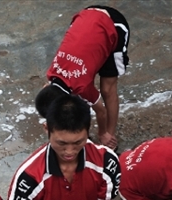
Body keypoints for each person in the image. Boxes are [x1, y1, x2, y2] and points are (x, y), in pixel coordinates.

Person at [35, 5, 130, 149]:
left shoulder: (82, 87)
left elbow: (101, 111)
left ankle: (110, 138)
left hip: (113, 24)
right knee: (88, 67)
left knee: (107, 90)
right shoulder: (51, 73)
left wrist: (102, 132)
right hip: (85, 17)